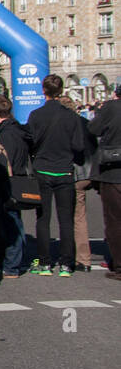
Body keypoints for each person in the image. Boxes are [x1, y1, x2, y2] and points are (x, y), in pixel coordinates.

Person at [26, 75, 84, 275]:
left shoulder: (36, 115)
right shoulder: (71, 117)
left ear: (44, 91)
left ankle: (44, 262)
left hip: (42, 168)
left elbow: (30, 142)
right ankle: (67, 263)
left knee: (43, 217)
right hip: (64, 169)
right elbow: (78, 145)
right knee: (65, 218)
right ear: (61, 91)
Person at [0, 94, 31, 279]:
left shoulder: (6, 133)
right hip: (13, 181)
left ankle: (11, 265)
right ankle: (4, 261)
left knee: (10, 224)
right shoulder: (16, 129)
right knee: (6, 223)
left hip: (5, 183)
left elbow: (3, 161)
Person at [88, 83, 121, 280]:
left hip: (113, 171)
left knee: (115, 220)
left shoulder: (110, 107)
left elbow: (93, 128)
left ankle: (119, 266)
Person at [65, 97, 97, 272]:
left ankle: (71, 257)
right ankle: (84, 259)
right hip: (88, 172)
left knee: (70, 216)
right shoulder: (86, 123)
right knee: (80, 216)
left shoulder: (64, 124)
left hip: (71, 173)